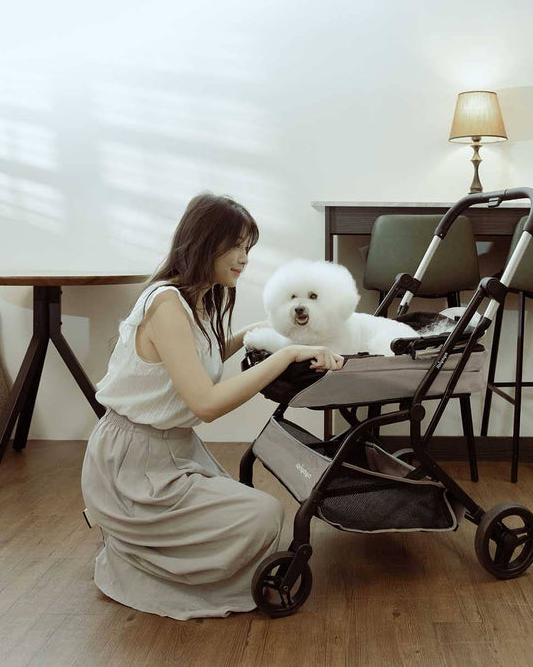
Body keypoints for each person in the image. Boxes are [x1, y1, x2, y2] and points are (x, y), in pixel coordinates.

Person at [81, 192, 344, 620]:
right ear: (205, 242)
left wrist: (255, 333)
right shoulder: (167, 304)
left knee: (259, 518)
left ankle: (139, 543)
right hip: (133, 463)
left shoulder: (193, 299)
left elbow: (197, 360)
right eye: (236, 246)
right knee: (265, 515)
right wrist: (286, 356)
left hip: (167, 451)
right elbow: (205, 403)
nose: (244, 258)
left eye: (247, 248)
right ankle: (132, 546)